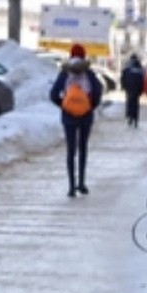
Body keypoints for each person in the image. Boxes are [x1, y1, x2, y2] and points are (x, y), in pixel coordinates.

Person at [49, 43, 104, 198]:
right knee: (83, 148)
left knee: (70, 150)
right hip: (85, 116)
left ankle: (71, 186)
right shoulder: (89, 73)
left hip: (69, 117)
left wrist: (65, 106)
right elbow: (98, 92)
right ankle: (82, 183)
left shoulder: (65, 73)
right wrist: (89, 106)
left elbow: (53, 94)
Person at [121, 52, 145, 129]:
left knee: (129, 102)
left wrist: (124, 87)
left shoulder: (127, 67)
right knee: (136, 103)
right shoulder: (139, 67)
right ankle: (136, 119)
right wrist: (142, 89)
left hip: (129, 88)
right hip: (137, 89)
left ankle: (130, 117)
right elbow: (143, 79)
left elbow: (123, 78)